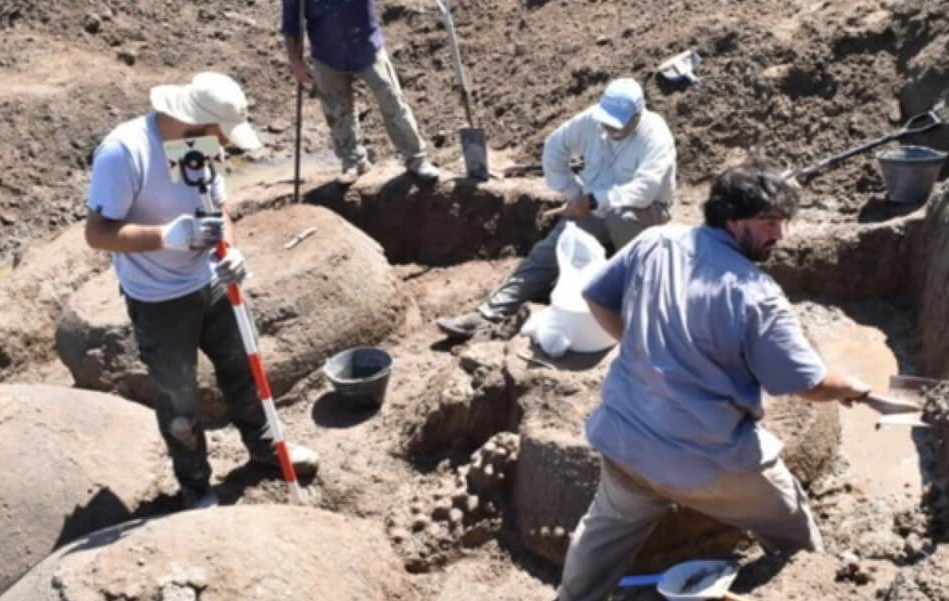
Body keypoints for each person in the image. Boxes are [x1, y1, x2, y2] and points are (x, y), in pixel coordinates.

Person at [543, 161, 871, 601]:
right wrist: (854, 388)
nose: (780, 234)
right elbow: (807, 383)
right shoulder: (756, 293)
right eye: (769, 221)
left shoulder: (657, 242)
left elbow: (597, 295)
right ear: (733, 220)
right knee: (792, 527)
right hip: (711, 461)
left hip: (628, 440)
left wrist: (637, 344)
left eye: (783, 221)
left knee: (602, 533)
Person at [83, 72, 319, 508]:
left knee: (244, 370)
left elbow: (218, 209)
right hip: (157, 298)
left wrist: (231, 248)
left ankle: (267, 449)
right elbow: (97, 233)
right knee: (179, 398)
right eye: (222, 134)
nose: (225, 144)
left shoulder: (198, 143)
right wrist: (165, 237)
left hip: (210, 281)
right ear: (197, 121)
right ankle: (195, 485)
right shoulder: (125, 152)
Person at [436, 78, 675, 339]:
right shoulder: (592, 120)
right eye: (606, 122)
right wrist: (573, 192)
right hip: (595, 207)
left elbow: (644, 191)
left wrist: (593, 200)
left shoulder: (656, 136)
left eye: (616, 124)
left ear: (637, 116)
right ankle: (488, 314)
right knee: (549, 250)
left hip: (644, 212)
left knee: (620, 217)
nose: (608, 128)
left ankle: (644, 293)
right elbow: (554, 147)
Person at [282, 0, 439, 185]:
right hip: (327, 55)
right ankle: (353, 163)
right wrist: (296, 62)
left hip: (367, 47)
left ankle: (416, 159)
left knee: (392, 100)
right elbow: (291, 23)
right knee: (337, 112)